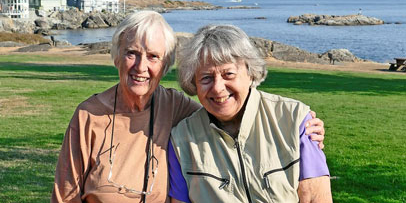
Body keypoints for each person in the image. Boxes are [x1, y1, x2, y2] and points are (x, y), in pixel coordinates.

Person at [52, 11, 326, 203]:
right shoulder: (90, 116)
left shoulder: (177, 108)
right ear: (117, 57)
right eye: (131, 53)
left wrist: (302, 126)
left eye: (153, 57)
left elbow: (228, 108)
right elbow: (65, 196)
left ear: (165, 64)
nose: (141, 67)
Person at [169, 25, 332, 203]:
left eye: (228, 74)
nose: (217, 88)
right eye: (206, 77)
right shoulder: (181, 140)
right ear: (194, 83)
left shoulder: (295, 120)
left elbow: (315, 197)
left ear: (250, 73)